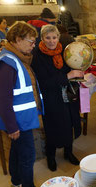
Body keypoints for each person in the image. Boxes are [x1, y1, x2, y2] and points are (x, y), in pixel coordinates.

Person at [0, 21, 41, 187]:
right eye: (31, 41)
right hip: (18, 120)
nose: (33, 45)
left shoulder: (16, 57)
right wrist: (12, 126)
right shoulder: (8, 62)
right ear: (18, 39)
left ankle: (16, 181)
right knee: (27, 155)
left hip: (19, 118)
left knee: (17, 150)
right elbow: (3, 99)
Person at [31, 25, 83, 172]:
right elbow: (43, 82)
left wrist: (79, 70)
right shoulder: (37, 55)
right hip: (51, 97)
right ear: (42, 38)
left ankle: (68, 152)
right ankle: (51, 156)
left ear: (58, 37)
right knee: (52, 127)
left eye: (54, 37)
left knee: (69, 123)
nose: (52, 41)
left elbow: (72, 67)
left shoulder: (65, 51)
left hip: (67, 94)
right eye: (48, 38)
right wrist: (68, 76)